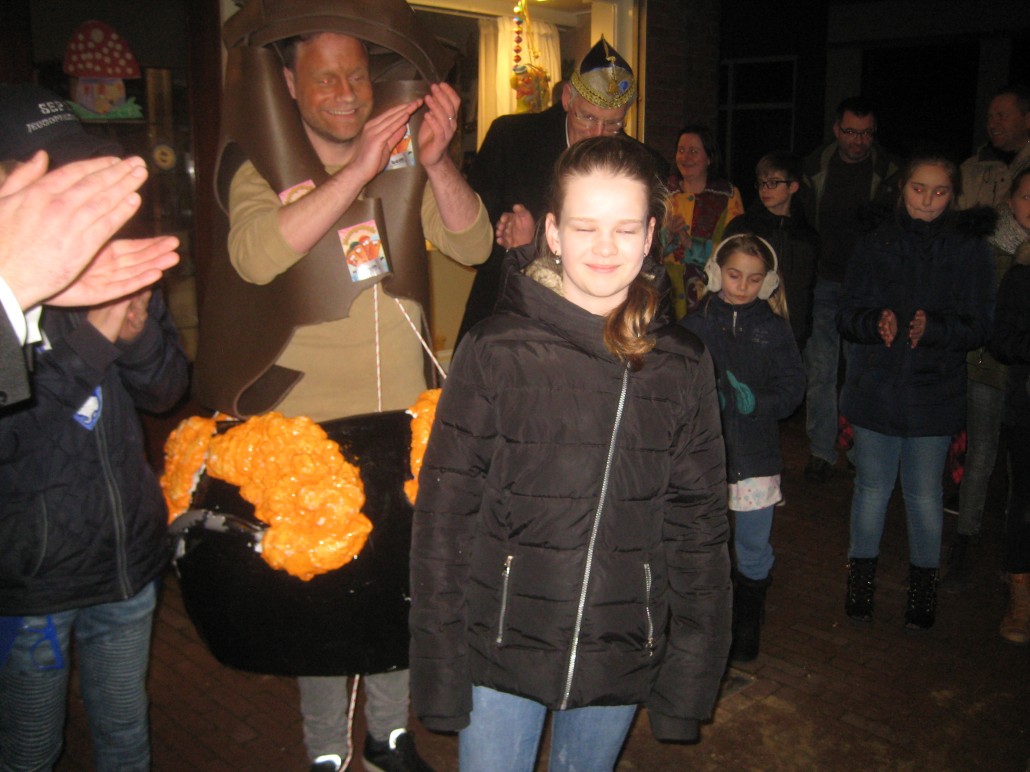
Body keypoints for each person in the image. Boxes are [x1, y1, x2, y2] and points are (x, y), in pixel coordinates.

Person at [191, 6, 494, 770]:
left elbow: (474, 241)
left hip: (399, 419)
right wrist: (357, 171)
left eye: (356, 75)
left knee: (398, 583)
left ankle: (388, 737)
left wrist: (435, 162)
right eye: (324, 76)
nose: (345, 91)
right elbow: (256, 253)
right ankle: (326, 751)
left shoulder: (402, 160)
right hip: (306, 431)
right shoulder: (258, 162)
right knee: (320, 590)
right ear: (290, 84)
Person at [409, 135, 732, 771]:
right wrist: (439, 669)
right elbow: (444, 518)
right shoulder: (496, 350)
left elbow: (698, 529)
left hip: (619, 644)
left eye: (625, 229)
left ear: (649, 237)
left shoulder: (680, 365)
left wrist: (688, 680)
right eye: (585, 227)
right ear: (552, 232)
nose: (605, 248)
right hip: (502, 643)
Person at [0, 87, 189, 771]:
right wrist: (93, 343)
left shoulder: (118, 256)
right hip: (32, 584)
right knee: (29, 748)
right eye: (54, 175)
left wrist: (135, 335)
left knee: (125, 732)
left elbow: (166, 390)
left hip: (126, 563)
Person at [838, 150, 994, 631]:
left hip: (933, 392)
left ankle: (923, 592)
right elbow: (846, 313)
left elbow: (979, 325)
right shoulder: (875, 241)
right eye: (918, 188)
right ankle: (860, 587)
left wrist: (936, 328)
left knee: (924, 495)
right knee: (871, 489)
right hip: (876, 387)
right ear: (902, 188)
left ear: (953, 196)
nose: (927, 200)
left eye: (939, 191)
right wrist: (874, 322)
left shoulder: (968, 249)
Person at [456, 37, 668, 346]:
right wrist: (511, 248)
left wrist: (533, 247)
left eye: (613, 124)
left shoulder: (646, 166)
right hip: (506, 327)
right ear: (568, 97)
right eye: (587, 117)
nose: (597, 134)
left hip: (600, 333)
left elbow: (647, 265)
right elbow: (474, 246)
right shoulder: (511, 139)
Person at [680, 234, 804, 662]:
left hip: (755, 458)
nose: (743, 286)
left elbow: (792, 389)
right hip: (703, 458)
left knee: (752, 544)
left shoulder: (775, 330)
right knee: (702, 543)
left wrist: (757, 403)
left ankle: (748, 619)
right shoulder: (695, 326)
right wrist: (701, 400)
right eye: (734, 276)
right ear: (716, 274)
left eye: (754, 279)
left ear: (768, 283)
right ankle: (707, 620)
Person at [0, 151, 180, 406]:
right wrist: (92, 343)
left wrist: (135, 341)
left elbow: (166, 395)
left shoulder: (104, 263)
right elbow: (16, 427)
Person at [945, 87, 1030, 584]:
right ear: (1010, 199)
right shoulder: (988, 246)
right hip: (987, 365)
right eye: (1025, 196)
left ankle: (1014, 554)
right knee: (980, 454)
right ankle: (966, 538)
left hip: (1022, 375)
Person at [801, 97, 898, 483]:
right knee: (821, 370)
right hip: (823, 279)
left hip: (866, 287)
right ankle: (821, 451)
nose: (859, 141)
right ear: (837, 130)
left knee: (861, 370)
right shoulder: (814, 167)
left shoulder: (889, 172)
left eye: (866, 133)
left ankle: (860, 450)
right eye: (851, 132)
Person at [724, 151, 819, 350]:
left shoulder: (806, 235)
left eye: (773, 183)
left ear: (793, 186)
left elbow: (806, 290)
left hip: (791, 334)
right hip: (747, 330)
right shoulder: (742, 227)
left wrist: (802, 331)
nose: (765, 190)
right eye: (762, 183)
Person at [988, 239, 1030, 645]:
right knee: (1025, 501)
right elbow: (1000, 341)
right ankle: (1020, 591)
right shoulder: (1022, 276)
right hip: (1027, 407)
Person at [660, 124, 744, 319]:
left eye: (693, 151)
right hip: (667, 297)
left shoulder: (727, 196)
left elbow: (737, 250)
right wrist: (666, 236)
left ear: (709, 158)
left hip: (711, 296)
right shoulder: (663, 193)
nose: (685, 157)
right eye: (681, 150)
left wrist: (693, 246)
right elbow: (645, 248)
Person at [959, 85, 1030, 209]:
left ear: (1027, 120)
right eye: (990, 117)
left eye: (1001, 116)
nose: (992, 124)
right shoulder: (970, 169)